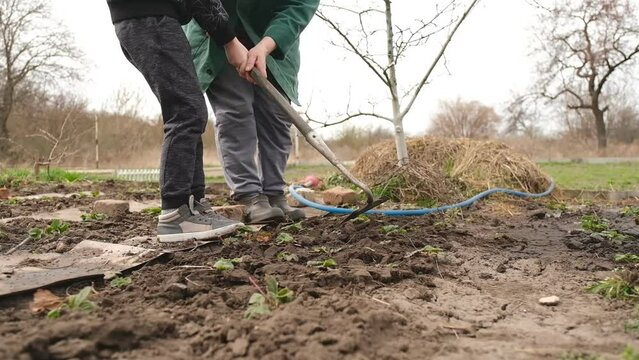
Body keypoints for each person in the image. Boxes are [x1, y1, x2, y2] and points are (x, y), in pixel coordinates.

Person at [106, 0, 249, 242]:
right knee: (186, 112)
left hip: (150, 18)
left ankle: (193, 205)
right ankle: (175, 214)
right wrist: (229, 39)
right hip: (151, 18)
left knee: (191, 111)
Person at [184, 0, 320, 225]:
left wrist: (265, 46)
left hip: (272, 42)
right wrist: (228, 40)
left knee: (277, 118)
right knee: (236, 113)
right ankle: (250, 197)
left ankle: (274, 194)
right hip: (218, 34)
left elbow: (299, 6)